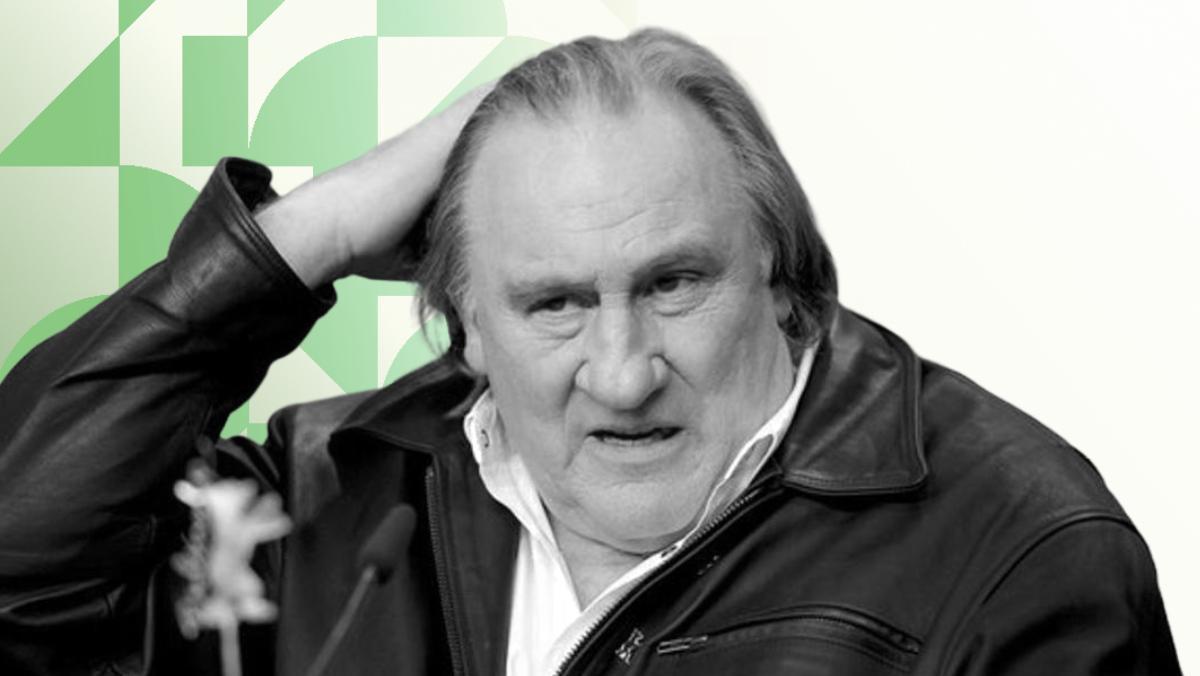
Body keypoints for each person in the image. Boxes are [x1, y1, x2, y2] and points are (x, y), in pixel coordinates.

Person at [0, 28, 1181, 676]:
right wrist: (312, 230)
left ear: (780, 274)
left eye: (674, 283)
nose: (621, 370)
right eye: (553, 303)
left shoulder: (1019, 547)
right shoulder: (334, 497)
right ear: (465, 324)